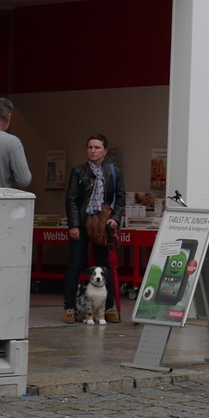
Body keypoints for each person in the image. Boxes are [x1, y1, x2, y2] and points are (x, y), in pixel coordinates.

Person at [64, 134, 123, 324]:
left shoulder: (114, 173)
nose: (93, 151)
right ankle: (70, 308)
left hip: (103, 225)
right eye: (90, 147)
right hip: (82, 224)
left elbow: (120, 199)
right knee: (75, 264)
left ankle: (109, 307)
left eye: (97, 147)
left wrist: (115, 219)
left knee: (105, 266)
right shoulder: (78, 172)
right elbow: (71, 199)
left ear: (105, 151)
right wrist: (73, 225)